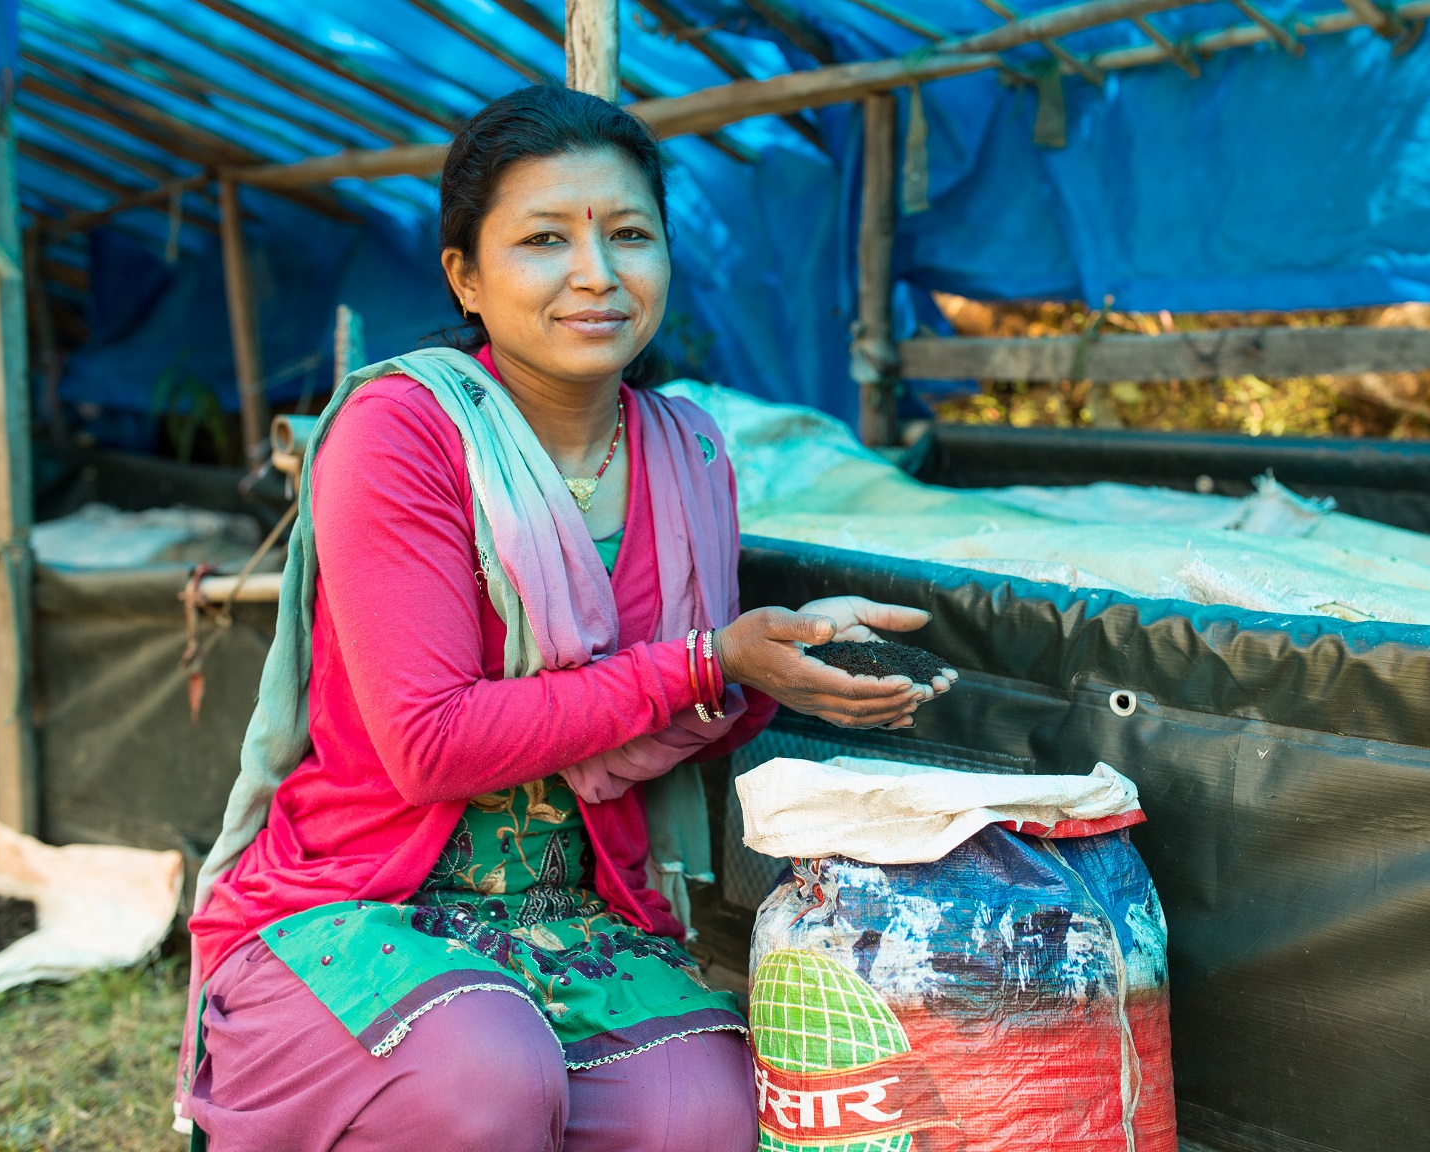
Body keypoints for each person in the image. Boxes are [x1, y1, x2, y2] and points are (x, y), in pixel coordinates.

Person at [174, 84, 954, 1152]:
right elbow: (432, 744)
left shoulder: (689, 452)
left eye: (630, 234)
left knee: (708, 1117)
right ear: (466, 275)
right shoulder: (400, 432)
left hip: (570, 915)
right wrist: (706, 658)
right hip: (363, 894)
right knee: (482, 1078)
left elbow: (666, 718)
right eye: (545, 239)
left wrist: (780, 667)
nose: (597, 273)